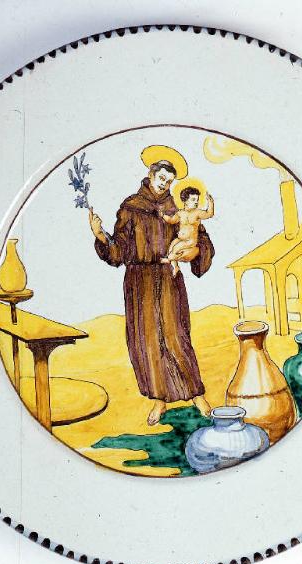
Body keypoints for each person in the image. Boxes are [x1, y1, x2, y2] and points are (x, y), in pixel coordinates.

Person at [88, 148, 214, 425]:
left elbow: (201, 239)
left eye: (169, 181)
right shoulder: (131, 207)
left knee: (176, 337)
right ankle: (159, 400)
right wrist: (101, 236)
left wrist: (194, 253)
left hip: (169, 277)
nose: (164, 184)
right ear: (150, 174)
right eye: (161, 178)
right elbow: (119, 252)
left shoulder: (177, 208)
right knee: (147, 343)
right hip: (140, 282)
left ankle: (197, 395)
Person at [159, 186, 215, 276]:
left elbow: (209, 214)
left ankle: (168, 259)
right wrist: (163, 216)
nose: (196, 202)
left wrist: (210, 203)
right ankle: (175, 266)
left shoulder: (197, 213)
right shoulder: (180, 213)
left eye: (197, 200)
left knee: (176, 248)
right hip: (180, 239)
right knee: (172, 246)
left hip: (190, 241)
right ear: (185, 200)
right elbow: (172, 220)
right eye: (193, 200)